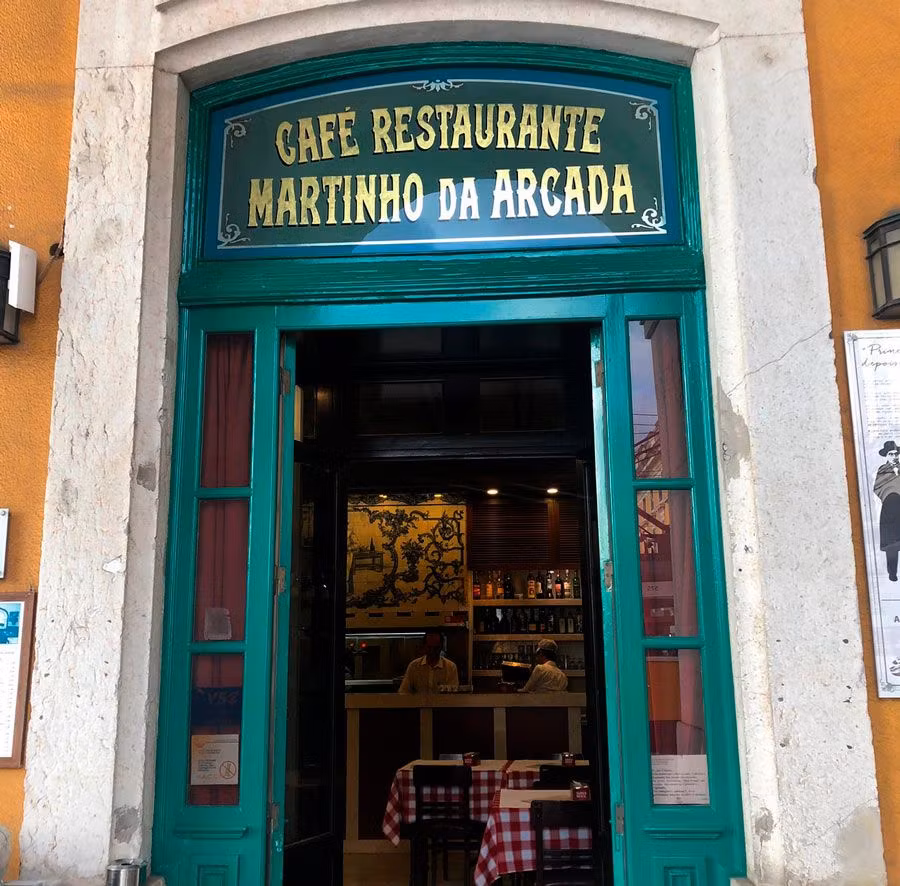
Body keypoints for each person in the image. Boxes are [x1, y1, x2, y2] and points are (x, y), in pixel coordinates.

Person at [874, 440, 900, 581]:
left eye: (896, 453)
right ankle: (892, 573)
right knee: (891, 544)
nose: (894, 456)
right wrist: (890, 492)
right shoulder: (882, 470)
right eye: (891, 453)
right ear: (886, 455)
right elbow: (877, 487)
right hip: (889, 507)